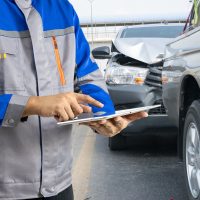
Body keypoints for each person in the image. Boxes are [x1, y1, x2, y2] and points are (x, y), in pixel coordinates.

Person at [0, 0, 147, 199]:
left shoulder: (63, 10)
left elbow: (87, 75)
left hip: (60, 184)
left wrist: (103, 116)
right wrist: (31, 104)